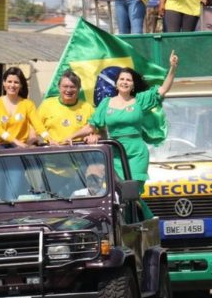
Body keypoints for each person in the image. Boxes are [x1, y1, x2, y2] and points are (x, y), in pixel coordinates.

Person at [71, 51, 180, 216]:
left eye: (128, 80)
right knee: (121, 195)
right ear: (116, 84)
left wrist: (172, 68)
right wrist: (69, 137)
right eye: (121, 79)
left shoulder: (139, 101)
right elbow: (91, 126)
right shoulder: (106, 103)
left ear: (133, 85)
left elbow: (163, 89)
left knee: (132, 192)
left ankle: (140, 225)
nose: (124, 82)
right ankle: (138, 225)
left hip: (137, 153)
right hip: (115, 155)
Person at [0, 67, 49, 149]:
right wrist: (15, 141)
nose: (12, 85)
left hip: (19, 149)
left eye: (16, 82)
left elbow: (38, 126)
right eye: (9, 82)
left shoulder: (28, 104)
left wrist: (49, 139)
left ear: (21, 85)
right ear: (4, 83)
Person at [38, 69, 94, 145]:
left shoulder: (87, 107)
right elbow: (34, 128)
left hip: (79, 152)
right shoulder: (47, 105)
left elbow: (97, 132)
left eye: (72, 87)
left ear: (78, 89)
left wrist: (94, 137)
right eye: (65, 86)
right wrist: (47, 139)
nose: (68, 90)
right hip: (52, 151)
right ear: (59, 87)